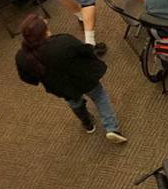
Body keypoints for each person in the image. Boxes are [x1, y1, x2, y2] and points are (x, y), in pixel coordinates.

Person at [15, 14, 127, 143]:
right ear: (44, 32)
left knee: (74, 102)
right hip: (83, 78)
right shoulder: (63, 42)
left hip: (61, 88)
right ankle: (112, 128)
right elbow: (86, 51)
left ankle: (88, 123)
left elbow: (28, 79)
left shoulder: (23, 57)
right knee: (100, 97)